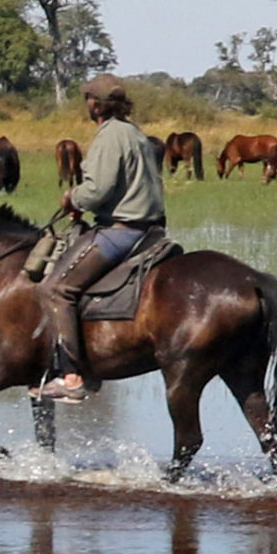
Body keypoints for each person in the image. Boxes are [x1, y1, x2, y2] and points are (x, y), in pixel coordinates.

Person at [35, 73, 166, 402]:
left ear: (95, 104)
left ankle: (73, 377)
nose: (87, 103)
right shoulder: (134, 133)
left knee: (56, 288)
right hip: (151, 229)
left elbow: (98, 190)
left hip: (121, 231)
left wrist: (72, 198)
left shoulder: (109, 136)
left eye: (88, 98)